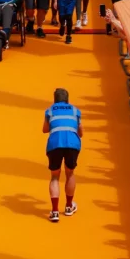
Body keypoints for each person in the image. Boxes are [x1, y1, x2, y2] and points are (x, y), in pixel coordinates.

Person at [43, 87, 82, 222]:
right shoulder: (76, 111)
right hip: (72, 144)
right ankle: (69, 206)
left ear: (55, 100)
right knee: (70, 173)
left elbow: (45, 129)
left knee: (55, 176)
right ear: (67, 99)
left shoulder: (49, 110)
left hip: (54, 144)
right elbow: (81, 132)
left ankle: (54, 212)